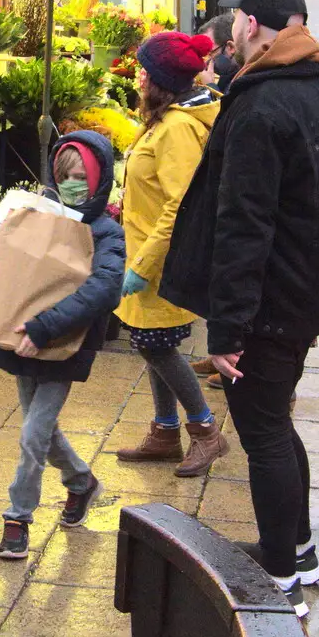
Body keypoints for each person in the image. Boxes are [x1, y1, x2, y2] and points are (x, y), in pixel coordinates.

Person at [160, 0, 319, 617]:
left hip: (267, 307)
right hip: (305, 298)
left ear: (249, 24)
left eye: (236, 26)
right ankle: (298, 548)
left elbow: (243, 226)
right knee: (276, 420)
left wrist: (227, 331)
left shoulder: (257, 108)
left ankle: (279, 574)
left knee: (263, 432)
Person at [0, 132, 124, 559]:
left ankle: (17, 518)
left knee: (33, 433)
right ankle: (81, 482)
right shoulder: (34, 213)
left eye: (81, 177)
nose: (73, 185)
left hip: (63, 344)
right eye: (64, 176)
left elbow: (106, 288)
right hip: (21, 340)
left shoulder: (106, 231)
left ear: (100, 179)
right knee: (42, 428)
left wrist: (45, 328)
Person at [114, 33, 228, 477]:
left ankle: (206, 431)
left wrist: (142, 266)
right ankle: (164, 432)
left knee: (156, 346)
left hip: (159, 259)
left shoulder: (179, 129)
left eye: (144, 68)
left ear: (161, 80)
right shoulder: (167, 118)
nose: (138, 74)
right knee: (149, 344)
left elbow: (178, 206)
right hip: (144, 252)